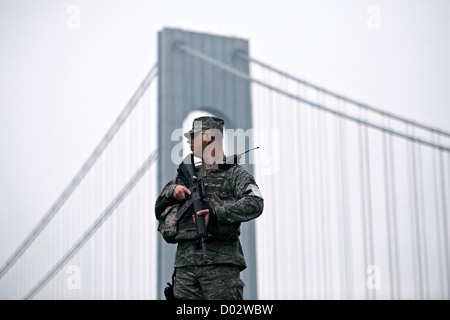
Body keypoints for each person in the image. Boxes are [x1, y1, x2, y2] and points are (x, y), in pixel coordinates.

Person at [155, 116, 264, 300]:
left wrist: (216, 214)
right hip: (185, 269)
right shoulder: (186, 176)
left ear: (209, 137)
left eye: (193, 135)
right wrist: (173, 192)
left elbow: (255, 203)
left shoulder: (234, 174)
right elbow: (159, 209)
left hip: (221, 270)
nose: (188, 140)